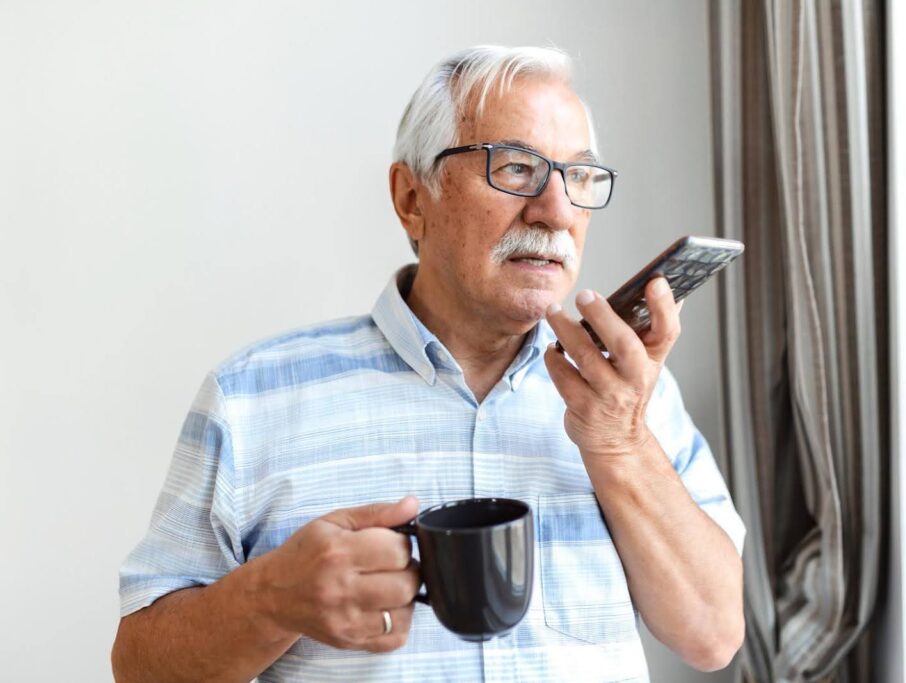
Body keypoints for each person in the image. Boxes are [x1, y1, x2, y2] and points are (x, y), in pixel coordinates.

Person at [111, 45, 745, 682]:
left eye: (578, 177)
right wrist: (272, 600)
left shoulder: (630, 398)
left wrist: (620, 441)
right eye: (516, 168)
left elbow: (713, 636)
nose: (556, 212)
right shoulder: (250, 397)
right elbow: (141, 668)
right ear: (413, 198)